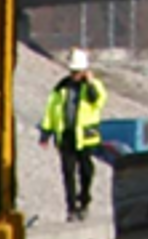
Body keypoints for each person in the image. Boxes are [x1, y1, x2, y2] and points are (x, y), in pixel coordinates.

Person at [40, 49, 108, 221]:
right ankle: (71, 207)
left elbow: (97, 101)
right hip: (66, 136)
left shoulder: (94, 87)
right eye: (72, 71)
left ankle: (84, 199)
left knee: (86, 170)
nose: (74, 75)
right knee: (68, 172)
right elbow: (51, 110)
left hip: (86, 137)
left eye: (77, 72)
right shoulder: (61, 88)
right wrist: (46, 132)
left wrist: (90, 83)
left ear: (85, 70)